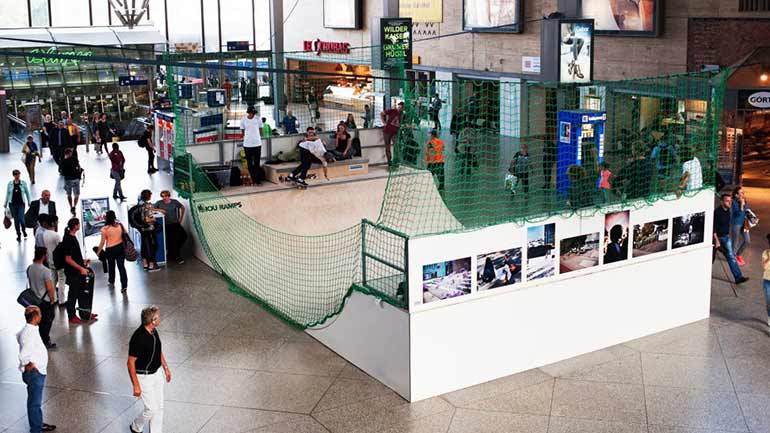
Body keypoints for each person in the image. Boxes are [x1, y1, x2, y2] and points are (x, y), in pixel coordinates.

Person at [128, 305, 171, 433]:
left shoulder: (153, 331)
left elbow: (158, 350)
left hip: (157, 374)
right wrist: (136, 385)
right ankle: (136, 426)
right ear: (153, 321)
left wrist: (165, 368)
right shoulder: (138, 338)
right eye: (158, 317)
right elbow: (130, 363)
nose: (160, 318)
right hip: (144, 377)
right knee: (151, 409)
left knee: (160, 408)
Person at [17, 306, 57, 433]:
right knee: (35, 403)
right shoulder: (29, 333)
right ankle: (36, 429)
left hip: (36, 372)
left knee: (34, 401)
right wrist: (29, 365)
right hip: (35, 374)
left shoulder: (30, 329)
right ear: (35, 316)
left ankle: (37, 423)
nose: (41, 315)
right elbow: (23, 355)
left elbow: (18, 336)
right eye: (40, 313)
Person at [62, 217, 97, 324]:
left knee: (82, 293)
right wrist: (80, 268)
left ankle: (85, 312)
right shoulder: (68, 239)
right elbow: (67, 258)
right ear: (76, 226)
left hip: (78, 271)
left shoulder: (72, 237)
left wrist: (82, 262)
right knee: (73, 293)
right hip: (73, 273)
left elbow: (73, 256)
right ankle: (71, 315)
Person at [713, 193, 749, 285]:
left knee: (731, 257)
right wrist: (716, 240)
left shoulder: (730, 210)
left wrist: (741, 202)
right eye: (727, 201)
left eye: (730, 201)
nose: (729, 203)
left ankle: (738, 278)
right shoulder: (717, 212)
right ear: (721, 202)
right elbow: (713, 227)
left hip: (725, 237)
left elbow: (741, 212)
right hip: (716, 239)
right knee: (711, 259)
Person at [27, 247, 56, 349]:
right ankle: (44, 341)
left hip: (34, 299)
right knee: (47, 320)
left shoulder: (30, 268)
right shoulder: (45, 270)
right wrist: (52, 299)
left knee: (37, 321)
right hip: (44, 300)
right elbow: (49, 287)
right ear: (44, 256)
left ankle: (39, 339)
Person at [96, 210, 128, 293]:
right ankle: (124, 286)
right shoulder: (120, 225)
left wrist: (98, 252)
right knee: (121, 267)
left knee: (111, 266)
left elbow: (102, 242)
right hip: (120, 247)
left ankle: (111, 280)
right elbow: (126, 233)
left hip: (110, 249)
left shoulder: (104, 229)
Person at [154, 190, 187, 265]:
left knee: (184, 236)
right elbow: (151, 208)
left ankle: (173, 253)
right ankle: (177, 257)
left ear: (169, 196)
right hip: (166, 225)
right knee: (172, 240)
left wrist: (181, 219)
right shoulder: (159, 203)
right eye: (162, 196)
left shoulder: (174, 202)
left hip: (175, 223)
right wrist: (160, 209)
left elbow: (182, 208)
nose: (164, 198)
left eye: (165, 196)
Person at [139, 190, 165, 272]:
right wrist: (153, 218)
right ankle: (151, 265)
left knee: (144, 247)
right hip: (149, 229)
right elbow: (147, 219)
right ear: (149, 196)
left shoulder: (139, 205)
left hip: (142, 229)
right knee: (153, 247)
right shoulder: (148, 205)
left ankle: (145, 264)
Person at [42, 215, 65, 304]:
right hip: (58, 261)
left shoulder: (44, 233)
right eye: (56, 222)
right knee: (62, 280)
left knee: (53, 280)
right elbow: (60, 248)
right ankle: (62, 300)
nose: (57, 223)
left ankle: (54, 299)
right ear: (53, 223)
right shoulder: (56, 235)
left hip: (50, 260)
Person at [5, 169, 31, 241]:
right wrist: (5, 203)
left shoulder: (23, 183)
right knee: (16, 220)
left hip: (21, 204)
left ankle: (23, 230)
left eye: (18, 174)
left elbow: (27, 193)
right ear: (13, 175)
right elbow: (8, 193)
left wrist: (29, 202)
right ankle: (18, 234)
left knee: (21, 219)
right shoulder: (10, 184)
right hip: (12, 204)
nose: (17, 176)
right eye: (16, 174)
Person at [241, 106, 264, 185]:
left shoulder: (258, 119)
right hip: (247, 145)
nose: (253, 115)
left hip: (257, 144)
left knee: (257, 163)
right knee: (249, 163)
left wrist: (257, 137)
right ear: (248, 113)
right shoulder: (243, 120)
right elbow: (242, 131)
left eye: (254, 113)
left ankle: (258, 180)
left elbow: (261, 130)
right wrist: (248, 137)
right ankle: (252, 179)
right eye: (252, 113)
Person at [731, 186, 752, 266]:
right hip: (736, 223)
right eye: (741, 193)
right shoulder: (733, 202)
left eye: (743, 192)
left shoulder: (744, 201)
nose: (743, 194)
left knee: (747, 241)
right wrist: (741, 205)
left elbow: (745, 211)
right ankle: (733, 257)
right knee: (735, 242)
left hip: (744, 224)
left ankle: (738, 254)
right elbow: (738, 213)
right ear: (736, 195)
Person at [59, 148, 82, 215]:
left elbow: (62, 172)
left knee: (69, 194)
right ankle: (74, 206)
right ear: (70, 153)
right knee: (76, 194)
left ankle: (71, 206)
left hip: (68, 180)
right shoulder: (75, 159)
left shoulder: (63, 162)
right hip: (76, 179)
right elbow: (79, 167)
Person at [762, 234, 770, 327]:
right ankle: (769, 316)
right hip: (767, 281)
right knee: (769, 302)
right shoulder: (765, 253)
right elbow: (764, 267)